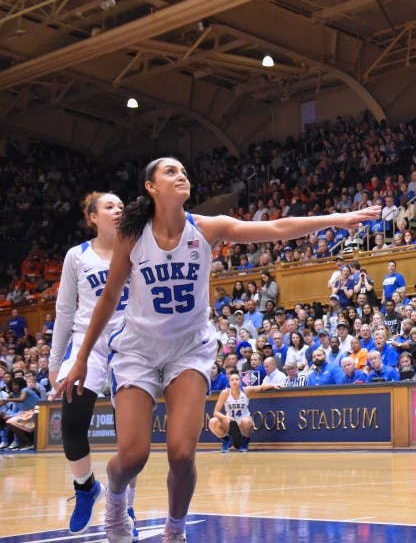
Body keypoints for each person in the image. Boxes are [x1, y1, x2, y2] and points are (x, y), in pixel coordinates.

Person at [55, 157, 380, 543]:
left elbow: (275, 227)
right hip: (136, 350)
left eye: (184, 172)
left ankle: (174, 531)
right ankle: (114, 501)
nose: (181, 176)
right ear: (151, 187)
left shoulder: (205, 228)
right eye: (171, 172)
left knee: (181, 454)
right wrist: (78, 358)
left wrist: (336, 219)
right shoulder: (133, 235)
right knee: (131, 457)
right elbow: (109, 298)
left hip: (188, 350)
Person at [49, 192, 140, 536]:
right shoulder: (77, 256)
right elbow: (64, 311)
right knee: (71, 423)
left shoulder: (137, 247)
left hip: (129, 344)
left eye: (120, 205)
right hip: (87, 345)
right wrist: (55, 362)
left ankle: (126, 504)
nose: (117, 210)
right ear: (92, 217)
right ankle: (86, 487)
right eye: (109, 206)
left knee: (129, 438)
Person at [207, 369, 280, 453]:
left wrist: (273, 385)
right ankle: (226, 439)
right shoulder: (225, 393)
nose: (234, 381)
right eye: (232, 380)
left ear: (240, 381)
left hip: (244, 422)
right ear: (229, 382)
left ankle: (244, 441)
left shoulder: (245, 390)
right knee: (212, 422)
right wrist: (225, 417)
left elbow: (260, 387)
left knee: (246, 421)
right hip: (230, 423)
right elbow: (216, 412)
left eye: (237, 379)